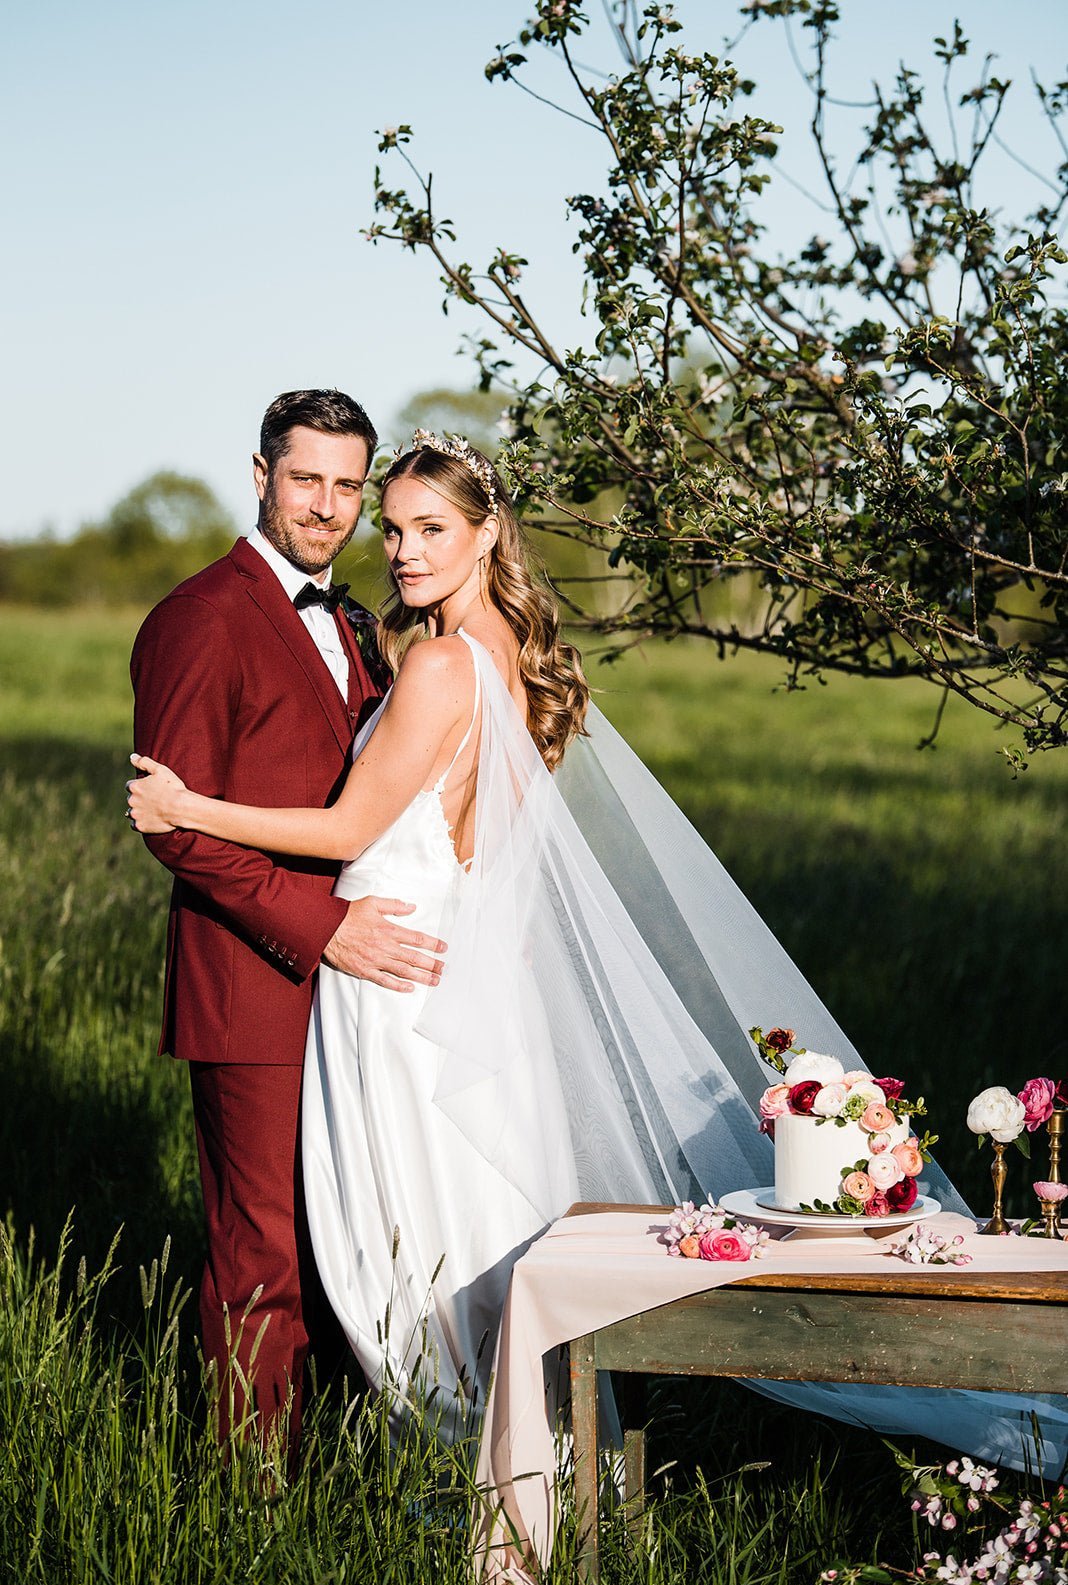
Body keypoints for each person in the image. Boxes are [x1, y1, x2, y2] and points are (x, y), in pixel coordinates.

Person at [128, 433, 1068, 1482]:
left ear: (488, 534)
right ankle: (536, 1457)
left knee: (414, 1246)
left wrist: (186, 804)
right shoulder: (512, 664)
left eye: (429, 529)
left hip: (398, 990)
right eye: (390, 529)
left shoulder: (441, 663)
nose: (400, 551)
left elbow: (350, 832)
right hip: (463, 985)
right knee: (476, 1223)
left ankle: (479, 1473)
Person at [129, 390, 447, 1457]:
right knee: (259, 1252)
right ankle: (252, 1497)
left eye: (349, 485)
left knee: (341, 1236)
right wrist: (323, 930)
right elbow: (179, 827)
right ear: (259, 473)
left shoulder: (356, 620)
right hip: (253, 984)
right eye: (306, 478)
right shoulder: (197, 617)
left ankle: (345, 1457)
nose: (327, 505)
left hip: (359, 996)